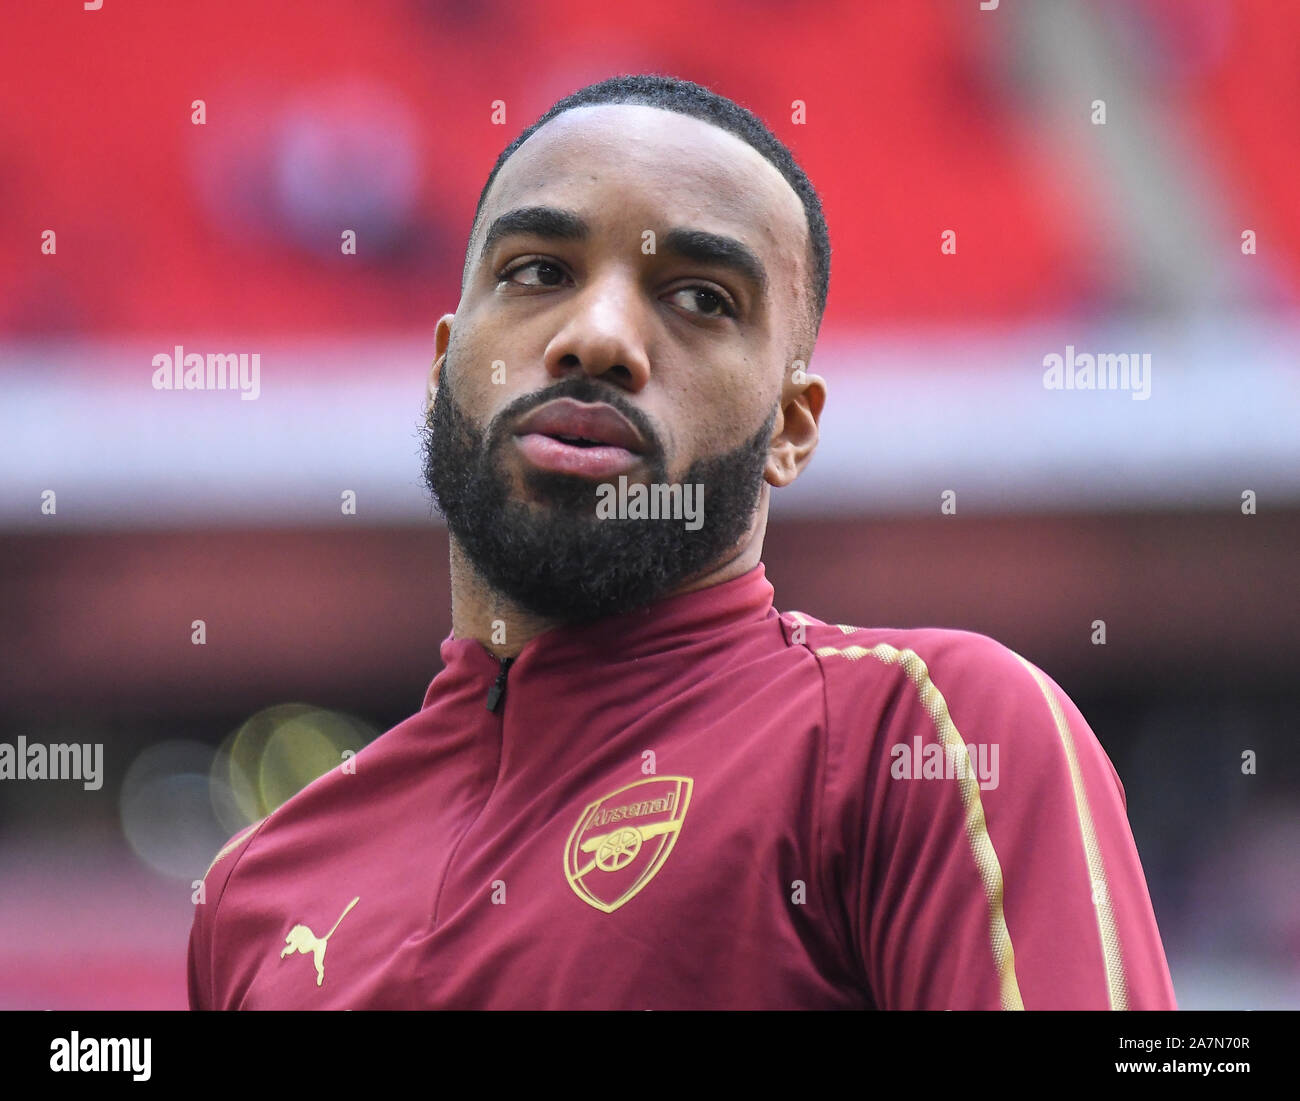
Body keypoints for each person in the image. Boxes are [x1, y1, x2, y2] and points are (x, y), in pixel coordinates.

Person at [187, 73, 1177, 1010]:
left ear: (789, 430)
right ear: (446, 365)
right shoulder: (255, 894)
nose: (598, 337)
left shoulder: (922, 735)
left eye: (702, 297)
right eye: (537, 272)